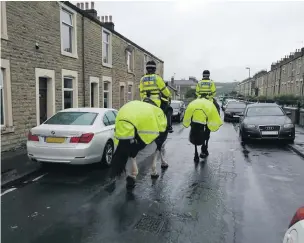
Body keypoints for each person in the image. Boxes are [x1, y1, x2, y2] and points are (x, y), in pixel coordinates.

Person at [139, 60, 173, 133]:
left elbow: (141, 92)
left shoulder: (142, 79)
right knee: (169, 109)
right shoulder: (157, 78)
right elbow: (164, 90)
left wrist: (145, 97)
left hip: (144, 102)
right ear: (154, 69)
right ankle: (169, 127)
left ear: (147, 69)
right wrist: (169, 95)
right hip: (156, 103)